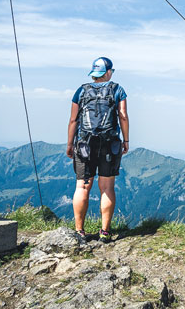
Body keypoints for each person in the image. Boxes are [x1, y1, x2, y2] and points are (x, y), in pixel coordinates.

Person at [66, 56, 129, 242]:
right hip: (109, 144)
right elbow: (123, 116)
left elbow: (73, 120)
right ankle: (105, 232)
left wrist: (70, 144)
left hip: (84, 144)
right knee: (107, 187)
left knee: (82, 186)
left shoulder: (81, 91)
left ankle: (79, 231)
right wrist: (126, 140)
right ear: (107, 72)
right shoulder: (118, 90)